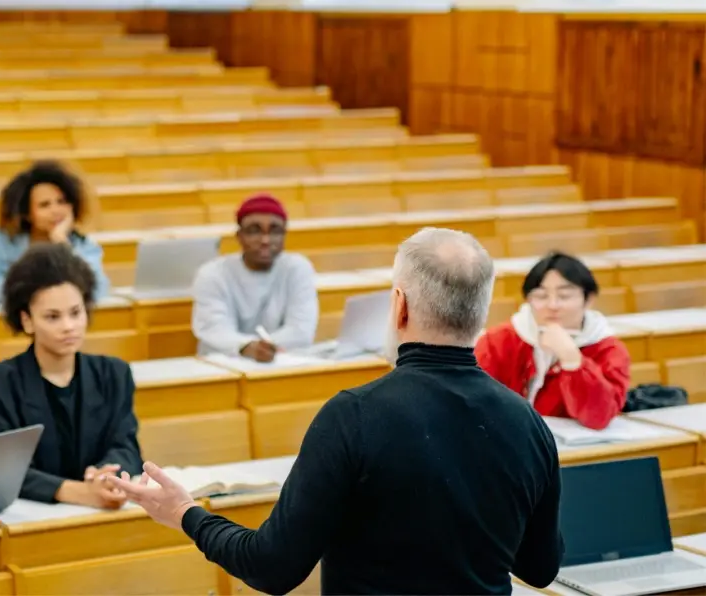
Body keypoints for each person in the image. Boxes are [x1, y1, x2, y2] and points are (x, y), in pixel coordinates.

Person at [111, 228, 563, 595]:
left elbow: (272, 567)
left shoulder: (355, 416)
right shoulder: (526, 422)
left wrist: (186, 512)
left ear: (399, 305)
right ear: (480, 312)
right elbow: (540, 569)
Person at [0, 243, 141, 509]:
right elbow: (6, 471)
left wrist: (106, 474)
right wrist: (79, 492)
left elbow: (127, 447)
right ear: (27, 320)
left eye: (76, 313)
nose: (69, 327)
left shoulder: (114, 374)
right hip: (34, 517)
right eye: (52, 317)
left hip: (103, 511)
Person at [475, 251, 630, 430]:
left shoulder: (608, 349)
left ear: (588, 300)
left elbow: (598, 417)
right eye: (541, 296)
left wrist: (573, 361)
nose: (552, 305)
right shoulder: (499, 341)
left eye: (564, 296)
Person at [191, 193, 318, 362]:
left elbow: (301, 330)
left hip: (282, 363)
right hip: (224, 365)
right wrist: (246, 347)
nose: (265, 240)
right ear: (239, 236)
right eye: (254, 231)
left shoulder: (297, 268)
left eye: (275, 231)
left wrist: (264, 349)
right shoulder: (212, 273)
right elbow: (214, 329)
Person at [0, 161, 110, 304]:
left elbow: (97, 290)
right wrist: (37, 293)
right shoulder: (4, 237)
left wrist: (62, 243)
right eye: (45, 205)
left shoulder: (80, 243)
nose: (55, 210)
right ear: (27, 213)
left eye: (62, 202)